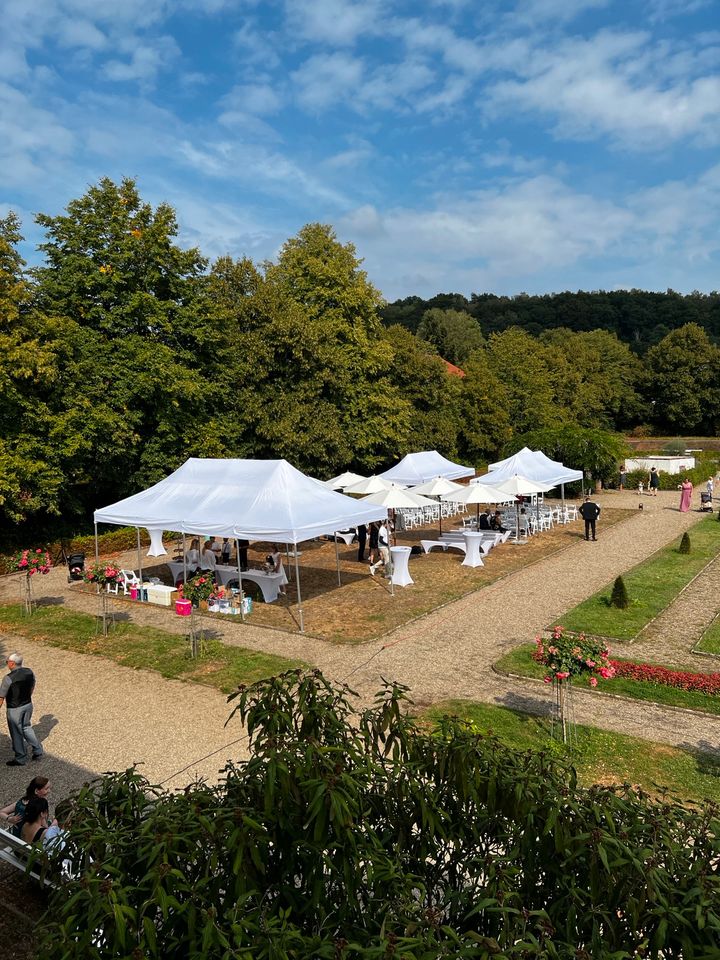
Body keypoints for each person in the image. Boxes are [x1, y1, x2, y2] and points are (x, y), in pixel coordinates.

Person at [0, 653, 43, 766]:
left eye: (7, 661)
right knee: (27, 727)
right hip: (28, 705)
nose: (7, 663)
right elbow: (32, 686)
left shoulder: (8, 678)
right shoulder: (29, 672)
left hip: (14, 709)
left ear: (12, 663)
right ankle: (38, 750)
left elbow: (1, 697)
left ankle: (20, 758)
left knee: (16, 733)